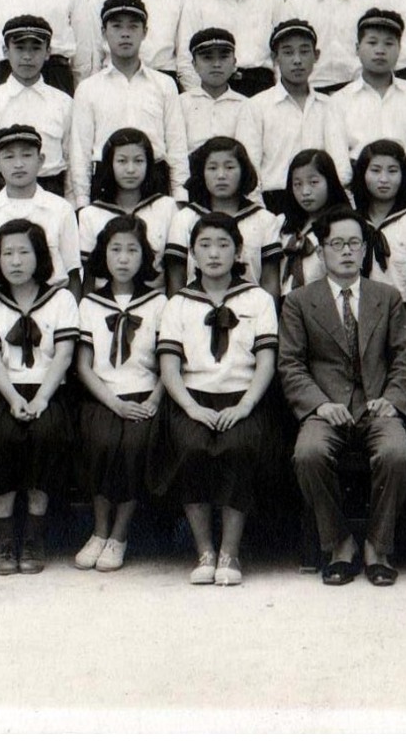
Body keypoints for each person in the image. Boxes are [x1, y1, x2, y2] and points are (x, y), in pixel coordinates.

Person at [280, 207, 406, 587]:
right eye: (336, 244)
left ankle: (378, 546)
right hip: (325, 408)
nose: (345, 251)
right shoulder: (299, 301)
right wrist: (320, 404)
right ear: (321, 251)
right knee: (308, 454)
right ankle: (339, 543)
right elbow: (290, 364)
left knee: (395, 454)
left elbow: (403, 358)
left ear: (364, 249)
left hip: (378, 407)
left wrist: (392, 398)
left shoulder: (387, 297)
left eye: (354, 243)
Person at [150, 212, 282, 586]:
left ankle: (230, 551)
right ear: (192, 253)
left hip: (244, 396)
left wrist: (245, 405)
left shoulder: (257, 299)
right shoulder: (178, 302)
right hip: (192, 398)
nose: (214, 254)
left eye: (223, 245)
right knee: (191, 447)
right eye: (204, 245)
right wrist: (191, 407)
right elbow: (170, 366)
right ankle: (204, 549)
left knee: (238, 447)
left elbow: (266, 361)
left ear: (238, 250)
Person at [0, 218, 80, 576]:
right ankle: (2, 539)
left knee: (47, 434)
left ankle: (34, 536)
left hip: (49, 388)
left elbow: (63, 355)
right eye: (7, 253)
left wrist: (42, 399)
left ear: (40, 257)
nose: (15, 261)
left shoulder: (61, 299)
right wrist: (15, 398)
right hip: (0, 388)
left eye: (23, 252)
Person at [73, 215, 169, 572]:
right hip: (103, 395)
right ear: (103, 255)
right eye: (116, 250)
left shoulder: (159, 304)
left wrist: (152, 402)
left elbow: (167, 364)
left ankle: (119, 534)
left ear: (144, 257)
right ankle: (98, 531)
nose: (124, 258)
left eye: (132, 250)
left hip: (145, 395)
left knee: (133, 446)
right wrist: (113, 402)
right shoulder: (90, 305)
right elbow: (84, 365)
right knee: (101, 440)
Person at [70, 0, 191, 206]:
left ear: (145, 32)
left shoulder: (164, 84)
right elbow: (80, 151)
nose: (125, 34)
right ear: (103, 33)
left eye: (133, 27)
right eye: (116, 26)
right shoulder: (88, 88)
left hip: (153, 176)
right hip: (106, 179)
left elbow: (176, 143)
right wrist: (82, 201)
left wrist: (180, 194)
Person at [329, 8, 406, 207]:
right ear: (357, 48)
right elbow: (339, 160)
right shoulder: (340, 100)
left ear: (400, 48)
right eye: (372, 42)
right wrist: (351, 206)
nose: (380, 50)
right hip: (358, 192)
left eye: (389, 43)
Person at [236, 19, 350, 211]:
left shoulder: (330, 106)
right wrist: (261, 214)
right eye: (288, 52)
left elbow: (341, 165)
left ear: (316, 55)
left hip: (323, 202)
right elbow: (249, 170)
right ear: (275, 58)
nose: (297, 60)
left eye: (304, 52)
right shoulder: (256, 106)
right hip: (274, 201)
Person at [0, 15, 74, 198]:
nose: (27, 56)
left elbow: (72, 162)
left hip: (51, 190)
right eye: (19, 48)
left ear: (48, 52)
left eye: (35, 48)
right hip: (2, 193)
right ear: (5, 51)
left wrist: (73, 206)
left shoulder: (64, 103)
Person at [164, 136, 281, 298]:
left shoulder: (264, 220)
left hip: (251, 312)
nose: (221, 175)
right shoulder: (184, 219)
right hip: (195, 312)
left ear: (243, 171)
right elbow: (176, 280)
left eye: (230, 167)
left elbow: (270, 282)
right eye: (212, 168)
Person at [0, 124, 81, 292]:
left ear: (40, 161)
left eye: (26, 155)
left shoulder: (61, 209)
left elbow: (73, 272)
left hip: (52, 302)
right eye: (9, 157)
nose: (18, 164)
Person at [76, 128, 180, 280]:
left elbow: (174, 271)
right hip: (105, 300)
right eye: (122, 161)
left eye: (138, 161)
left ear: (149, 163)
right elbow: (89, 277)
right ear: (109, 163)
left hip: (155, 298)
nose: (130, 169)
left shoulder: (167, 207)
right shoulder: (90, 214)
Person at [349, 139, 406, 310]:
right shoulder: (352, 221)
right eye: (375, 170)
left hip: (399, 311)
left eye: (392, 171)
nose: (383, 179)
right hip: (358, 310)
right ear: (362, 173)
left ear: (404, 175)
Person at [273, 149, 348, 297]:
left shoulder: (342, 224)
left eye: (313, 182)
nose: (305, 191)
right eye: (297, 184)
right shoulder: (283, 225)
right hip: (288, 308)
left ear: (330, 182)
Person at [179, 28, 249, 154]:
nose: (216, 64)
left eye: (223, 57)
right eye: (207, 58)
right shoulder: (180, 104)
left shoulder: (246, 105)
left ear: (234, 63)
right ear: (194, 64)